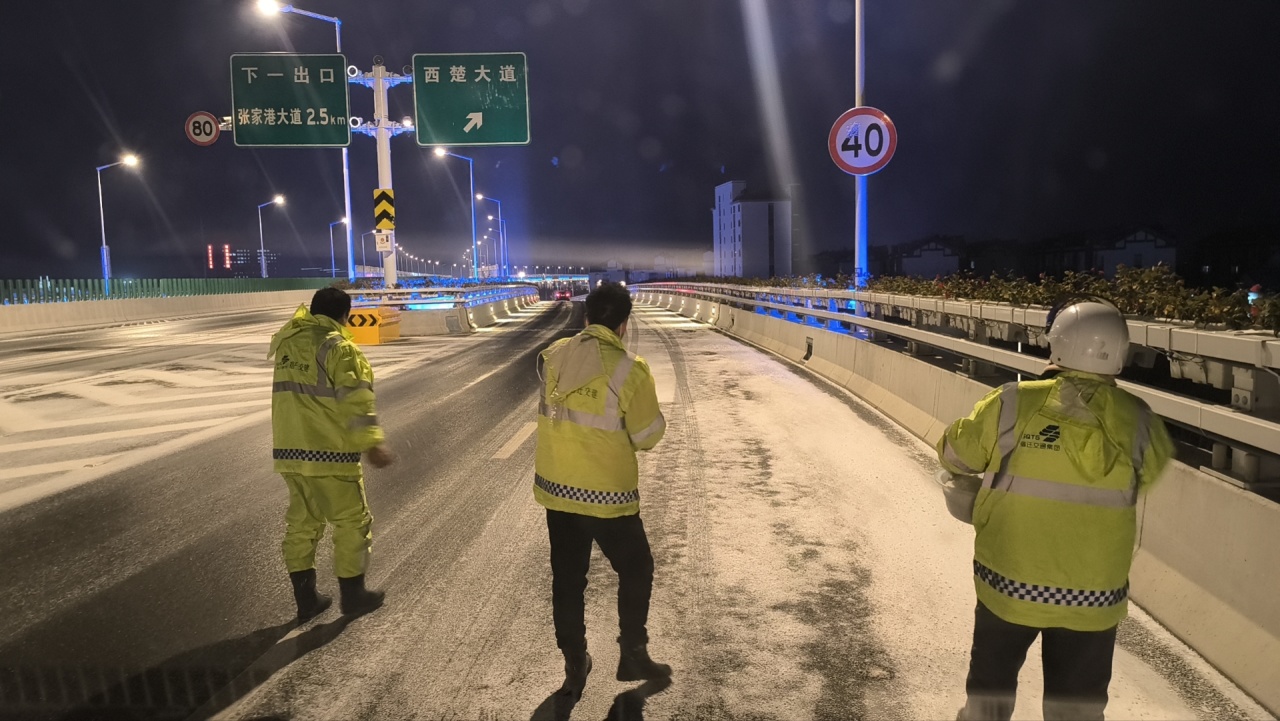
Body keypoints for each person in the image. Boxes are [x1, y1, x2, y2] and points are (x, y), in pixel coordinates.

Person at [937, 298, 1174, 721]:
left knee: (989, 698)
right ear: (1121, 353)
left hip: (1008, 586)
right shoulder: (1140, 421)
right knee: (1077, 711)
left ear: (1056, 343)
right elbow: (1149, 475)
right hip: (1094, 598)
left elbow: (955, 455)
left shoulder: (1012, 403)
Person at [533, 281, 671, 699]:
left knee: (568, 579)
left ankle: (575, 662)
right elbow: (647, 436)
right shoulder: (630, 369)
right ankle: (632, 653)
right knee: (636, 568)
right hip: (608, 497)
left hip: (558, 490)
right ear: (624, 324)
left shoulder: (554, 357)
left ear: (587, 316)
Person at [269, 287, 394, 621]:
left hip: (289, 451)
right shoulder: (340, 349)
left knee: (302, 524)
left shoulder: (286, 343)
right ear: (345, 316)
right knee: (352, 522)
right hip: (329, 453)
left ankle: (306, 600)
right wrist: (372, 443)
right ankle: (353, 596)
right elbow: (357, 401)